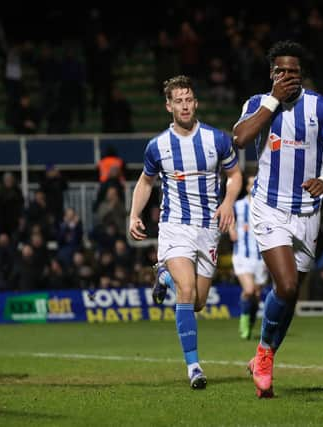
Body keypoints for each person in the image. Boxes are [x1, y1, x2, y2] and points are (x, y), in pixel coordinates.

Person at [232, 40, 323, 398]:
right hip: (269, 207)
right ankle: (265, 354)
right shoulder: (257, 104)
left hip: (308, 213)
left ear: (303, 76)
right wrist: (272, 100)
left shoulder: (322, 107)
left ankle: (264, 353)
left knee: (290, 296)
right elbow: (239, 139)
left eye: (295, 72)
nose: (289, 77)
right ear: (272, 74)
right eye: (282, 71)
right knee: (285, 286)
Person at [128, 75, 242, 390]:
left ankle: (163, 276)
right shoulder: (158, 146)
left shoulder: (217, 139)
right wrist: (134, 214)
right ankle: (194, 366)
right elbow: (146, 181)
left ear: (196, 102)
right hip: (175, 226)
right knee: (187, 290)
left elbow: (234, 175)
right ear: (169, 106)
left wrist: (229, 202)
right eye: (178, 101)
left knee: (199, 302)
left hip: (208, 229)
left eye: (189, 99)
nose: (185, 105)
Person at [229, 175, 269, 340]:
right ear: (246, 187)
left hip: (261, 258)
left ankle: (250, 321)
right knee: (249, 290)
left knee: (257, 295)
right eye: (251, 184)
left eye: (256, 184)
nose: (253, 187)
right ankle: (244, 326)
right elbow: (229, 219)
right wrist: (231, 229)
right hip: (242, 256)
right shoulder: (238, 206)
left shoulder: (266, 207)